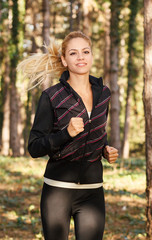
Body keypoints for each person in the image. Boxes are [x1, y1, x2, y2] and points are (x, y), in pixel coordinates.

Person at [18, 31, 119, 240]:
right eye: (73, 53)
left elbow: (98, 132)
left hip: (93, 191)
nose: (80, 57)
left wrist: (105, 150)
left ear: (91, 56)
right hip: (57, 191)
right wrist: (65, 134)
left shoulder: (104, 94)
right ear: (64, 60)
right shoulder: (52, 96)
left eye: (85, 51)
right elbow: (34, 147)